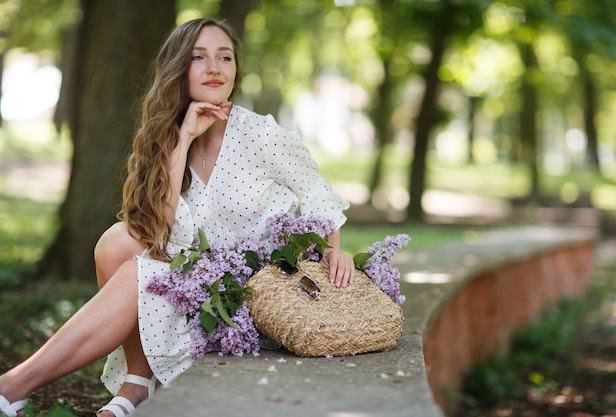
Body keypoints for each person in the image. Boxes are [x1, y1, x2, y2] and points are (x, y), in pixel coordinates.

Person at [0, 17, 354, 417]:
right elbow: (158, 228)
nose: (215, 68)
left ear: (237, 70)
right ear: (178, 69)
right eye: (198, 57)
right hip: (197, 277)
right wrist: (183, 140)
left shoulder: (262, 135)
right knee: (117, 242)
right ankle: (138, 380)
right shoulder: (168, 134)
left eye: (225, 57)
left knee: (138, 273)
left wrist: (333, 250)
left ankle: (14, 387)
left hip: (254, 294)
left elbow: (316, 192)